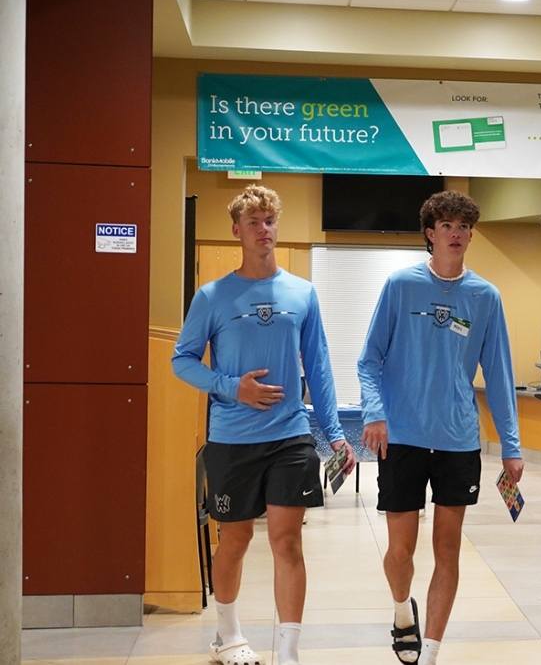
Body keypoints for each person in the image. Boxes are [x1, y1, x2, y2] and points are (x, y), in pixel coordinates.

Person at [173, 185, 356, 665]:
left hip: (290, 435)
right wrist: (234, 387)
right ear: (237, 231)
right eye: (253, 221)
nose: (263, 229)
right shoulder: (212, 296)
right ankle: (228, 638)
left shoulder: (302, 293)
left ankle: (289, 652)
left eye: (270, 221)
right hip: (232, 438)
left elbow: (318, 368)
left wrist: (335, 434)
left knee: (287, 540)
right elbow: (182, 361)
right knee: (234, 539)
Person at [358, 190, 523, 665]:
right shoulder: (400, 286)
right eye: (447, 225)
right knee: (400, 552)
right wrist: (374, 413)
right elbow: (369, 360)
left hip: (458, 441)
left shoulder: (485, 297)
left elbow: (499, 374)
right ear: (430, 234)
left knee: (446, 550)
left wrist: (511, 447)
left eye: (465, 227)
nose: (457, 234)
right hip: (403, 438)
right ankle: (400, 611)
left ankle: (429, 651)